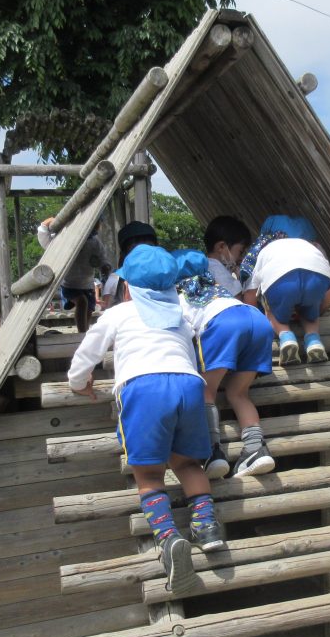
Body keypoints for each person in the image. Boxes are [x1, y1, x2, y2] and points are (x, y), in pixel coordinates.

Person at [67, 244, 224, 593]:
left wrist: (78, 383)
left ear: (127, 287)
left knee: (150, 474)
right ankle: (207, 525)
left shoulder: (119, 313)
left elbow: (87, 352)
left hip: (143, 388)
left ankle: (169, 538)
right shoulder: (181, 311)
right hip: (188, 385)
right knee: (187, 464)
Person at [175, 247, 276, 479]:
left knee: (204, 392)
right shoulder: (219, 287)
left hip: (223, 324)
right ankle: (255, 449)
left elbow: (185, 332)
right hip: (256, 320)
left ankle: (212, 452)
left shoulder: (181, 297)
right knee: (238, 393)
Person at [239, 215, 330, 365]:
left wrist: (259, 318)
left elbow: (251, 294)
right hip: (317, 280)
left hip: (281, 281)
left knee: (269, 309)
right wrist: (320, 309)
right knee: (310, 311)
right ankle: (313, 340)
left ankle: (286, 337)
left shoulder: (265, 249)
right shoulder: (313, 247)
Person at [37, 219, 110, 334]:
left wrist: (104, 266)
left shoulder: (95, 242)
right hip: (69, 284)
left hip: (87, 284)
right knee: (82, 302)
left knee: (89, 309)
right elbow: (44, 237)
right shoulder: (66, 238)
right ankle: (82, 334)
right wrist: (51, 220)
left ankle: (84, 332)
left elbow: (102, 258)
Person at [102, 221, 160, 310]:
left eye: (148, 248)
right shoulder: (116, 279)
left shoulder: (163, 275)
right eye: (136, 250)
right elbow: (108, 306)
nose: (144, 256)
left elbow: (107, 308)